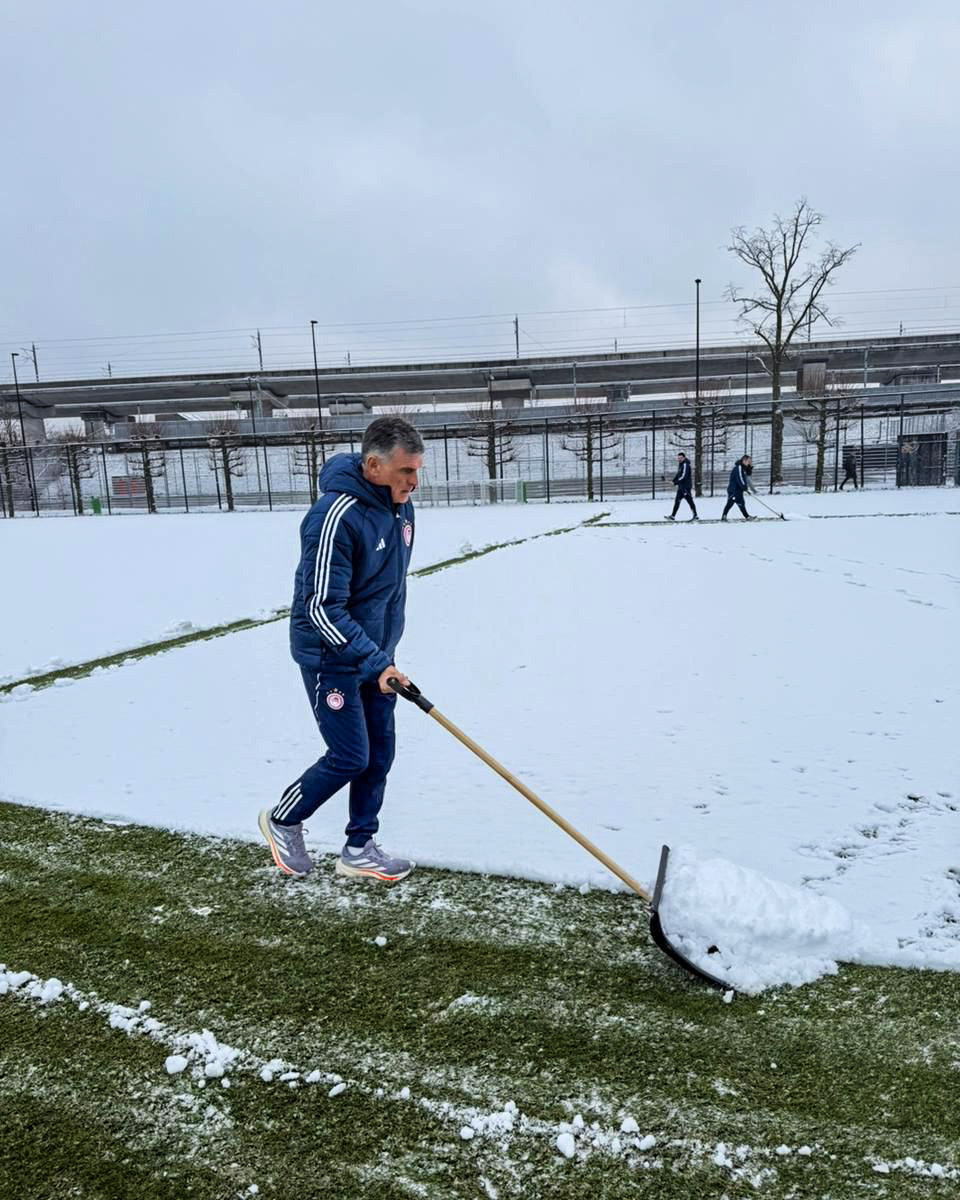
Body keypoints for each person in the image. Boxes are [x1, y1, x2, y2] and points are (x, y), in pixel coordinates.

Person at [259, 416, 424, 883]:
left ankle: (359, 846)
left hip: (373, 653)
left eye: (417, 471)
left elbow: (383, 591)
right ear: (373, 465)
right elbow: (320, 606)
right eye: (405, 472)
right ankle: (283, 819)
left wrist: (382, 656)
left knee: (381, 752)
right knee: (351, 754)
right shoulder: (333, 516)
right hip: (331, 653)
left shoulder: (400, 509)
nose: (413, 482)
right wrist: (374, 660)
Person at [665, 451, 698, 521]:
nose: (679, 459)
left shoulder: (685, 464)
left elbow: (684, 476)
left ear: (684, 458)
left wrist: (675, 483)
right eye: (678, 458)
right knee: (677, 501)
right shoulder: (681, 464)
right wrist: (673, 481)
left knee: (690, 501)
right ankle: (672, 516)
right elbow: (678, 474)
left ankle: (695, 516)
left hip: (686, 487)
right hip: (681, 487)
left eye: (680, 458)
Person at [721, 454, 756, 520]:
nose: (749, 462)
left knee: (741, 503)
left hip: (739, 490)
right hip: (733, 489)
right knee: (730, 503)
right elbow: (740, 478)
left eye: (750, 461)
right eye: (748, 461)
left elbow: (748, 475)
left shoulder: (743, 468)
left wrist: (750, 467)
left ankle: (747, 516)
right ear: (744, 460)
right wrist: (744, 487)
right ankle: (724, 516)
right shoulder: (739, 467)